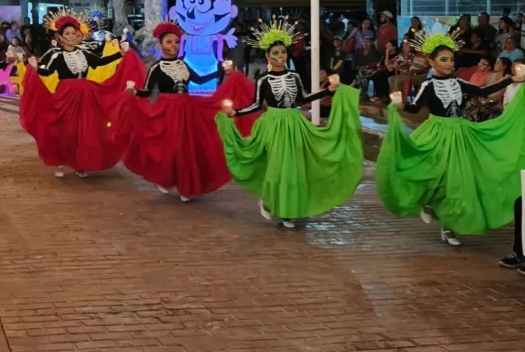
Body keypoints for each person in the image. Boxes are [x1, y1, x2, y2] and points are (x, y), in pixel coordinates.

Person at [378, 31, 524, 247]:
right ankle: (426, 203)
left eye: (451, 59)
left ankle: (449, 227)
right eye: (443, 60)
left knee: (459, 182)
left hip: (461, 132)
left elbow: (483, 90)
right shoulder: (428, 85)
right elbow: (414, 107)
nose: (448, 64)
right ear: (431, 61)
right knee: (434, 174)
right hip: (437, 133)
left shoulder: (458, 82)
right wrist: (399, 105)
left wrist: (510, 79)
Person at [217, 18, 363, 229]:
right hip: (273, 125)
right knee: (276, 167)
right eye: (275, 53)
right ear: (267, 56)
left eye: (283, 52)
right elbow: (257, 105)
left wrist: (327, 91)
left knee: (293, 168)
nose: (280, 56)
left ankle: (288, 211)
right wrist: (235, 112)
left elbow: (302, 99)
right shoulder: (263, 79)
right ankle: (269, 199)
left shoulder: (294, 76)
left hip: (294, 124)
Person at [118, 21, 251, 201]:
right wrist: (134, 92)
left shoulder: (183, 64)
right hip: (167, 110)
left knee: (187, 148)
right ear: (160, 45)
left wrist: (222, 71)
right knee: (171, 148)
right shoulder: (157, 68)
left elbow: (200, 79)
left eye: (176, 42)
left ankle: (184, 184)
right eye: (169, 42)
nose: (173, 45)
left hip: (187, 109)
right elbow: (147, 92)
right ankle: (164, 178)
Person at [21, 10, 142, 178]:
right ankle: (63, 158)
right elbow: (47, 71)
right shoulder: (55, 54)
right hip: (66, 95)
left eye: (73, 33)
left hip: (87, 93)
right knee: (67, 130)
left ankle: (80, 164)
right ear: (60, 37)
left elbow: (99, 61)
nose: (71, 36)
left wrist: (119, 55)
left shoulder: (84, 52)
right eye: (67, 34)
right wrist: (35, 67)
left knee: (86, 128)